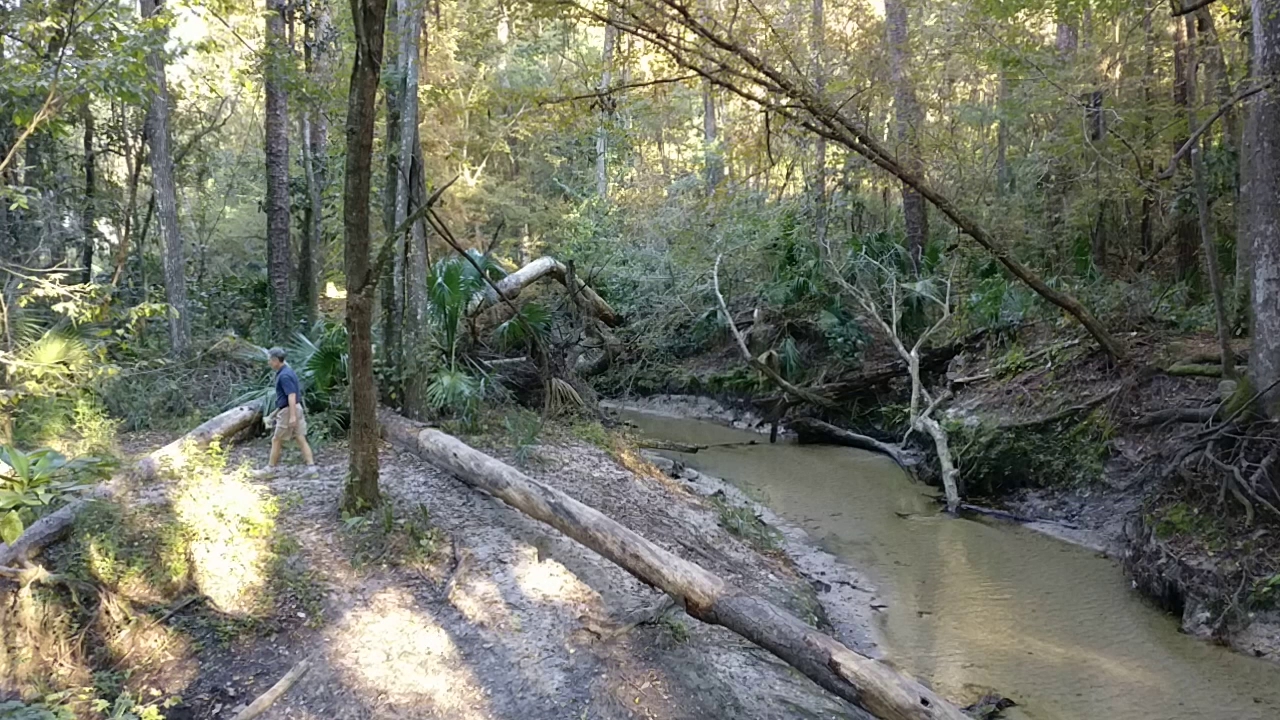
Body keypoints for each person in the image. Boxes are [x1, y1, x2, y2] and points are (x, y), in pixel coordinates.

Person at [266, 347, 316, 472]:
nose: (269, 362)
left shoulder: (284, 376)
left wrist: (292, 416)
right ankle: (312, 469)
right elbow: (286, 398)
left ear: (276, 360)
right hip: (294, 408)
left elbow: (291, 395)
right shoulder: (287, 372)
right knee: (300, 438)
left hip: (289, 410)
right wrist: (274, 413)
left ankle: (270, 469)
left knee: (276, 439)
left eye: (270, 360)